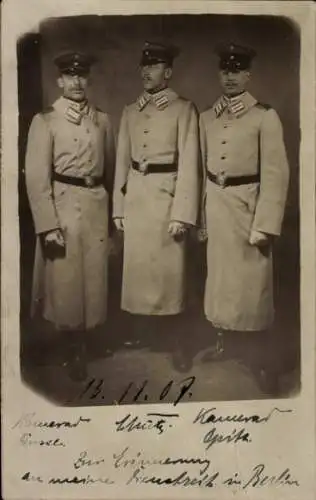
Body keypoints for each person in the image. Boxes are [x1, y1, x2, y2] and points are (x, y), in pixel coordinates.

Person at [199, 43, 290, 391]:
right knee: (221, 281)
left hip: (249, 207)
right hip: (217, 207)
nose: (230, 77)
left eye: (237, 71)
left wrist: (265, 224)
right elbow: (202, 170)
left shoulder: (264, 116)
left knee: (253, 285)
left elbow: (276, 174)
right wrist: (203, 219)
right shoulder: (207, 117)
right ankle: (225, 342)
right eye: (225, 70)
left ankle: (262, 357)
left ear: (248, 75)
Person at [25, 51, 116, 381]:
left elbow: (110, 167)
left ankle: (89, 338)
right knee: (66, 279)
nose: (77, 82)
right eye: (70, 76)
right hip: (62, 203)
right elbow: (37, 178)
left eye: (82, 75)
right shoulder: (46, 120)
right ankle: (71, 345)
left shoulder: (102, 119)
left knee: (93, 275)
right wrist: (48, 224)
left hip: (96, 203)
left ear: (87, 79)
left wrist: (111, 215)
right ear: (60, 81)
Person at [113, 41, 200, 371]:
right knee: (139, 272)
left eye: (155, 66)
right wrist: (118, 208)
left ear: (168, 72)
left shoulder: (183, 109)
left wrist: (182, 213)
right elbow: (122, 161)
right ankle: (144, 334)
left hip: (167, 200)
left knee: (169, 276)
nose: (147, 72)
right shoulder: (130, 111)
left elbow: (190, 164)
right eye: (144, 66)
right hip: (137, 198)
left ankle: (177, 342)